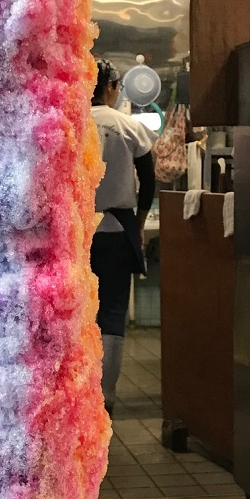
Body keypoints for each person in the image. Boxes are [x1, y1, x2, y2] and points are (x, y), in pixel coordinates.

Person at [90, 59, 157, 414]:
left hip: (76, 234)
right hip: (118, 230)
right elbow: (148, 181)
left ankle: (76, 398)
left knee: (76, 316)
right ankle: (106, 398)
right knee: (112, 313)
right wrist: (141, 223)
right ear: (113, 87)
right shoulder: (128, 126)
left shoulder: (69, 124)